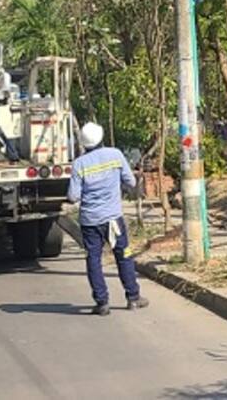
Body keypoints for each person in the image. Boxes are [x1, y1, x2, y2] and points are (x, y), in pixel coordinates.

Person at [67, 121, 147, 316]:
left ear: (84, 143)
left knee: (93, 260)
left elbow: (72, 196)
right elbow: (130, 181)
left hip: (90, 222)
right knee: (123, 255)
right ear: (102, 137)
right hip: (113, 219)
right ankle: (133, 297)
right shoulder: (115, 155)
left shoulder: (79, 164)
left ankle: (102, 303)